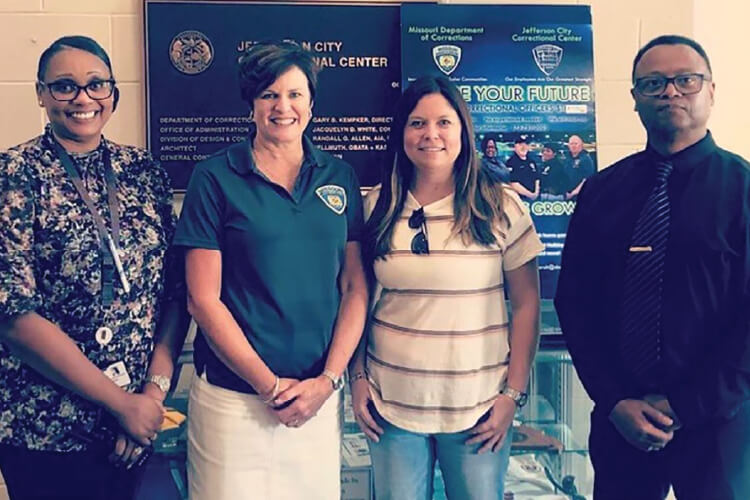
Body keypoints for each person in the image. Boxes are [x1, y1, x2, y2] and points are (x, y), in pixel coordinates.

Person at [555, 35, 750, 500]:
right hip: (621, 421)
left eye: (686, 80)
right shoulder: (602, 191)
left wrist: (687, 405)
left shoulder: (743, 192)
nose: (671, 92)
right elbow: (575, 303)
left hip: (718, 427)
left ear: (711, 90)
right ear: (635, 98)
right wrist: (615, 399)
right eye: (654, 83)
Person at [173, 40, 368, 500]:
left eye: (295, 94)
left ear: (312, 104)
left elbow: (355, 286)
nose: (284, 106)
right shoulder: (215, 176)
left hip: (316, 401)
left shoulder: (339, 177)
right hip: (234, 403)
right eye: (269, 95)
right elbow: (202, 298)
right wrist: (270, 387)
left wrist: (328, 380)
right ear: (252, 106)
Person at [0, 36, 188, 500]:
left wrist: (151, 398)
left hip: (135, 424)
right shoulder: (14, 174)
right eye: (64, 86)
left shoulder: (143, 171)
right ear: (41, 94)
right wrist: (120, 403)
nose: (82, 98)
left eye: (95, 84)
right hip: (46, 429)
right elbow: (14, 317)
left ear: (113, 94)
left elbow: (176, 291)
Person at [350, 76, 544, 500]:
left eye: (444, 122)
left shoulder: (500, 205)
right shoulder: (376, 206)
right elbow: (356, 301)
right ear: (401, 133)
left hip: (479, 408)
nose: (430, 134)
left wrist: (512, 394)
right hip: (391, 407)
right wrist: (358, 378)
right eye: (417, 123)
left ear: (463, 130)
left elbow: (527, 305)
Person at [507, 136, 540, 200]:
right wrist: (530, 195)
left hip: (534, 200)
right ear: (515, 147)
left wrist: (536, 193)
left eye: (526, 144)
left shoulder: (532, 162)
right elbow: (513, 183)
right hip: (519, 199)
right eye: (520, 144)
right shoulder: (511, 162)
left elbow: (537, 178)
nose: (523, 147)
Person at [562, 134, 595, 199]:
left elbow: (587, 179)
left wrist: (574, 192)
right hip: (567, 194)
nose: (573, 146)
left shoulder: (586, 159)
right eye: (571, 144)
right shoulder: (567, 159)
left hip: (582, 194)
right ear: (568, 145)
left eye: (576, 143)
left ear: (581, 145)